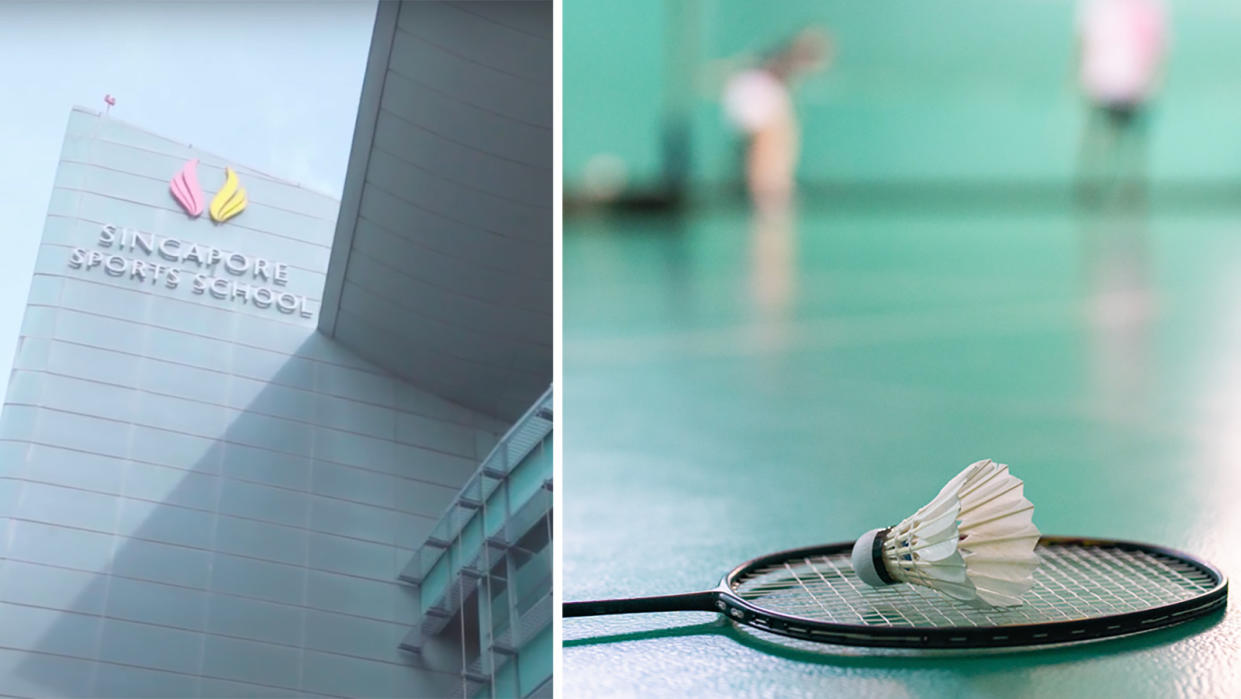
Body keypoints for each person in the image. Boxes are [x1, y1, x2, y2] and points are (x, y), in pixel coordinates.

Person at [723, 28, 831, 212]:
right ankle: (767, 189)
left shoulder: (778, 82)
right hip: (755, 92)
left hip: (756, 92)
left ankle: (771, 187)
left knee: (775, 137)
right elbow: (763, 142)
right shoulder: (770, 79)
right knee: (770, 138)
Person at [1075, 0, 1168, 203]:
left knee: (1132, 143)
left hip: (1137, 84)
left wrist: (1153, 80)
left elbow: (1158, 43)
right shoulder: (1097, 6)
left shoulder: (1151, 6)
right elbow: (1085, 39)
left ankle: (1130, 191)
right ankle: (1093, 190)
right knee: (1101, 139)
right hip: (1102, 80)